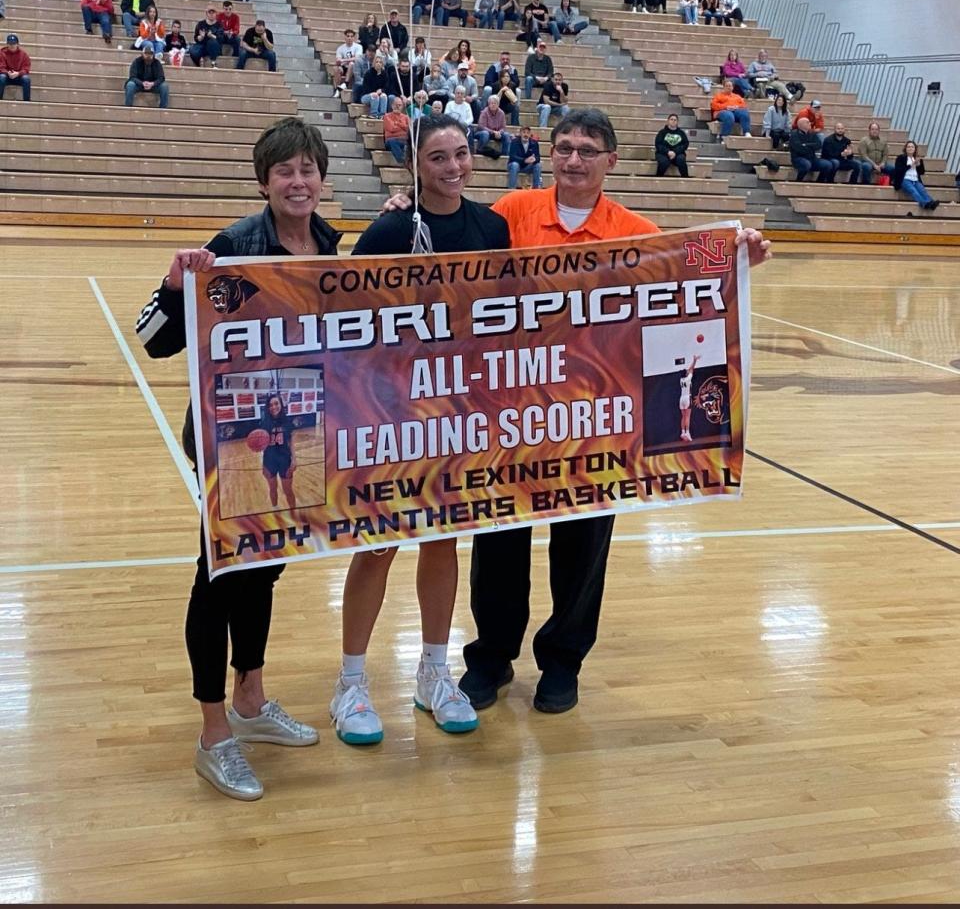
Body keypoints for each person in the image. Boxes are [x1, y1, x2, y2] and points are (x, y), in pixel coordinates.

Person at [382, 109, 771, 715]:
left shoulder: (638, 230)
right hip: (508, 413)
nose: (573, 159)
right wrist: (406, 215)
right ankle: (491, 658)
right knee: (499, 541)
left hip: (597, 419)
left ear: (610, 161)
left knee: (584, 545)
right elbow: (451, 243)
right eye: (563, 147)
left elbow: (687, 286)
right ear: (548, 152)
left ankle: (563, 663)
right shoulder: (511, 212)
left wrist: (739, 255)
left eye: (588, 150)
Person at [135, 118, 337, 799]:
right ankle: (214, 732)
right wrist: (175, 282)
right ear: (264, 181)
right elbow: (155, 341)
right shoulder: (231, 247)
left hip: (301, 433)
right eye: (285, 171)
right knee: (220, 574)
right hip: (233, 439)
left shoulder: (333, 249)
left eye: (308, 170)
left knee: (265, 568)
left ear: (321, 179)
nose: (298, 182)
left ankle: (251, 698)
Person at [330, 114, 509, 746]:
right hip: (392, 412)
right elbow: (343, 312)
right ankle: (351, 682)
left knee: (442, 543)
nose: (454, 166)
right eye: (438, 157)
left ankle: (435, 671)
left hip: (460, 414)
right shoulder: (387, 231)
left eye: (461, 154)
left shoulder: (493, 227)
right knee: (378, 543)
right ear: (415, 165)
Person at [258, 394, 298, 510]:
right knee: (272, 489)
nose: (273, 407)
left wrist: (294, 459)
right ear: (267, 408)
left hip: (285, 460)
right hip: (269, 461)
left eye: (276, 403)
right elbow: (261, 445)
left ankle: (293, 513)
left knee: (288, 491)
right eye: (270, 405)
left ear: (281, 405)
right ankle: (275, 510)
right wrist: (262, 462)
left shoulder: (287, 422)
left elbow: (291, 442)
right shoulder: (264, 423)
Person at [893, 140, 940, 211]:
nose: (910, 148)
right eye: (908, 147)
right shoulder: (900, 158)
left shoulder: (917, 159)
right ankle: (924, 204)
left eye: (912, 147)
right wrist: (910, 165)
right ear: (905, 149)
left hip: (915, 179)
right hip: (905, 179)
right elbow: (898, 170)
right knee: (914, 191)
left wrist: (919, 166)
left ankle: (931, 203)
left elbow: (922, 172)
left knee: (922, 190)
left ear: (915, 149)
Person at [124, 42, 169, 108]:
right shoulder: (136, 61)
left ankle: (163, 109)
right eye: (146, 53)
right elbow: (132, 77)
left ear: (153, 55)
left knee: (164, 86)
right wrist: (142, 83)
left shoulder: (157, 63)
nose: (148, 55)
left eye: (150, 54)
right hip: (139, 85)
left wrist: (153, 83)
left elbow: (161, 78)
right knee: (130, 85)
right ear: (142, 54)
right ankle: (128, 108)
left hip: (153, 85)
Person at [789, 116, 832, 182]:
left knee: (828, 164)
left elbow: (818, 145)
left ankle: (820, 182)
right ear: (801, 125)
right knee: (806, 164)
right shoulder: (794, 135)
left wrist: (806, 145)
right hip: (798, 159)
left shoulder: (812, 133)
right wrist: (811, 146)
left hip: (812, 158)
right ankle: (798, 181)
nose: (810, 123)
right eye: (807, 122)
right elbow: (799, 149)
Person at [0, 33, 31, 101]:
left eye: (14, 43)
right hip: (6, 76)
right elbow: (1, 67)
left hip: (19, 77)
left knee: (26, 79)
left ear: (17, 44)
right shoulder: (1, 53)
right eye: (10, 44)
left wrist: (18, 73)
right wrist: (7, 73)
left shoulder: (23, 54)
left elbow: (26, 68)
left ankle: (26, 101)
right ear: (7, 44)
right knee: (1, 77)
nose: (12, 45)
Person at [382, 95, 410, 162]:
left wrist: (397, 123)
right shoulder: (387, 116)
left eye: (399, 105)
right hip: (391, 141)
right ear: (392, 106)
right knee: (392, 141)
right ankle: (401, 160)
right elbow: (391, 128)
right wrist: (403, 127)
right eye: (395, 105)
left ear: (402, 107)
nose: (397, 107)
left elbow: (409, 129)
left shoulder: (406, 117)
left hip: (403, 140)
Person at [360, 55, 389, 119]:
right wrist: (373, 93)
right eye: (377, 62)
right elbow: (365, 88)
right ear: (374, 63)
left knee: (384, 96)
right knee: (375, 96)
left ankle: (382, 115)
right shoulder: (368, 73)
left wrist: (382, 90)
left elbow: (387, 87)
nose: (378, 63)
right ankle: (374, 114)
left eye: (380, 62)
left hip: (379, 94)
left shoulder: (385, 74)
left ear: (382, 64)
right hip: (366, 95)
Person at [679, 354, 699, 442]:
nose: (688, 371)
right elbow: (692, 369)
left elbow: (689, 370)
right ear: (686, 373)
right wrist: (695, 360)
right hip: (687, 398)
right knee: (688, 416)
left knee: (683, 416)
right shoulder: (688, 379)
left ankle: (682, 432)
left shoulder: (681, 380)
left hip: (681, 399)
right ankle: (687, 432)